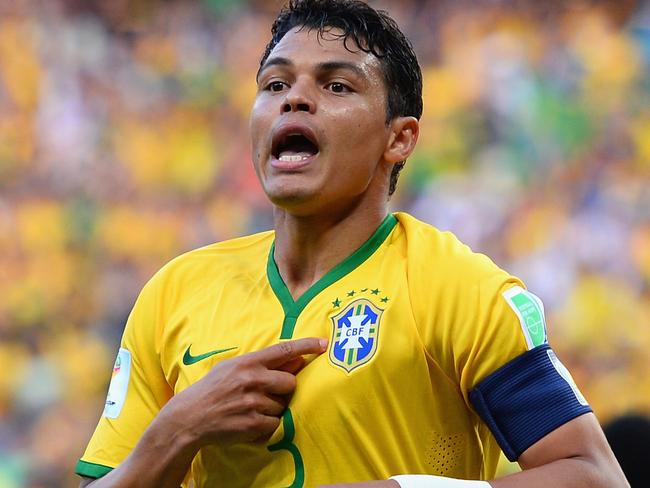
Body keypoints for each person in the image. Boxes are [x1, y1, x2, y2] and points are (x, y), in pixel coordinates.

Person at [76, 1, 629, 487]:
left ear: (399, 138)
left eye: (335, 85)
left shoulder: (455, 286)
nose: (294, 100)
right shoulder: (175, 292)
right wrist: (178, 430)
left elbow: (593, 475)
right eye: (275, 85)